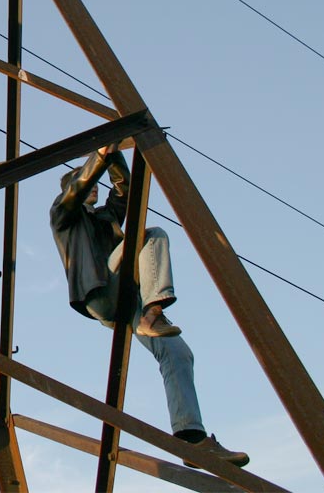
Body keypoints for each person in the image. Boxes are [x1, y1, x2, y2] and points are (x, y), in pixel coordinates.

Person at [49, 145, 249, 469]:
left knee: (177, 351)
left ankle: (191, 440)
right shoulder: (63, 214)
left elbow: (125, 190)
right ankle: (153, 310)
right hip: (100, 290)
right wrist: (99, 156)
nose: (94, 186)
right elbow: (77, 189)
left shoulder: (105, 218)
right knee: (151, 234)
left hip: (125, 296)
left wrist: (113, 157)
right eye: (88, 181)